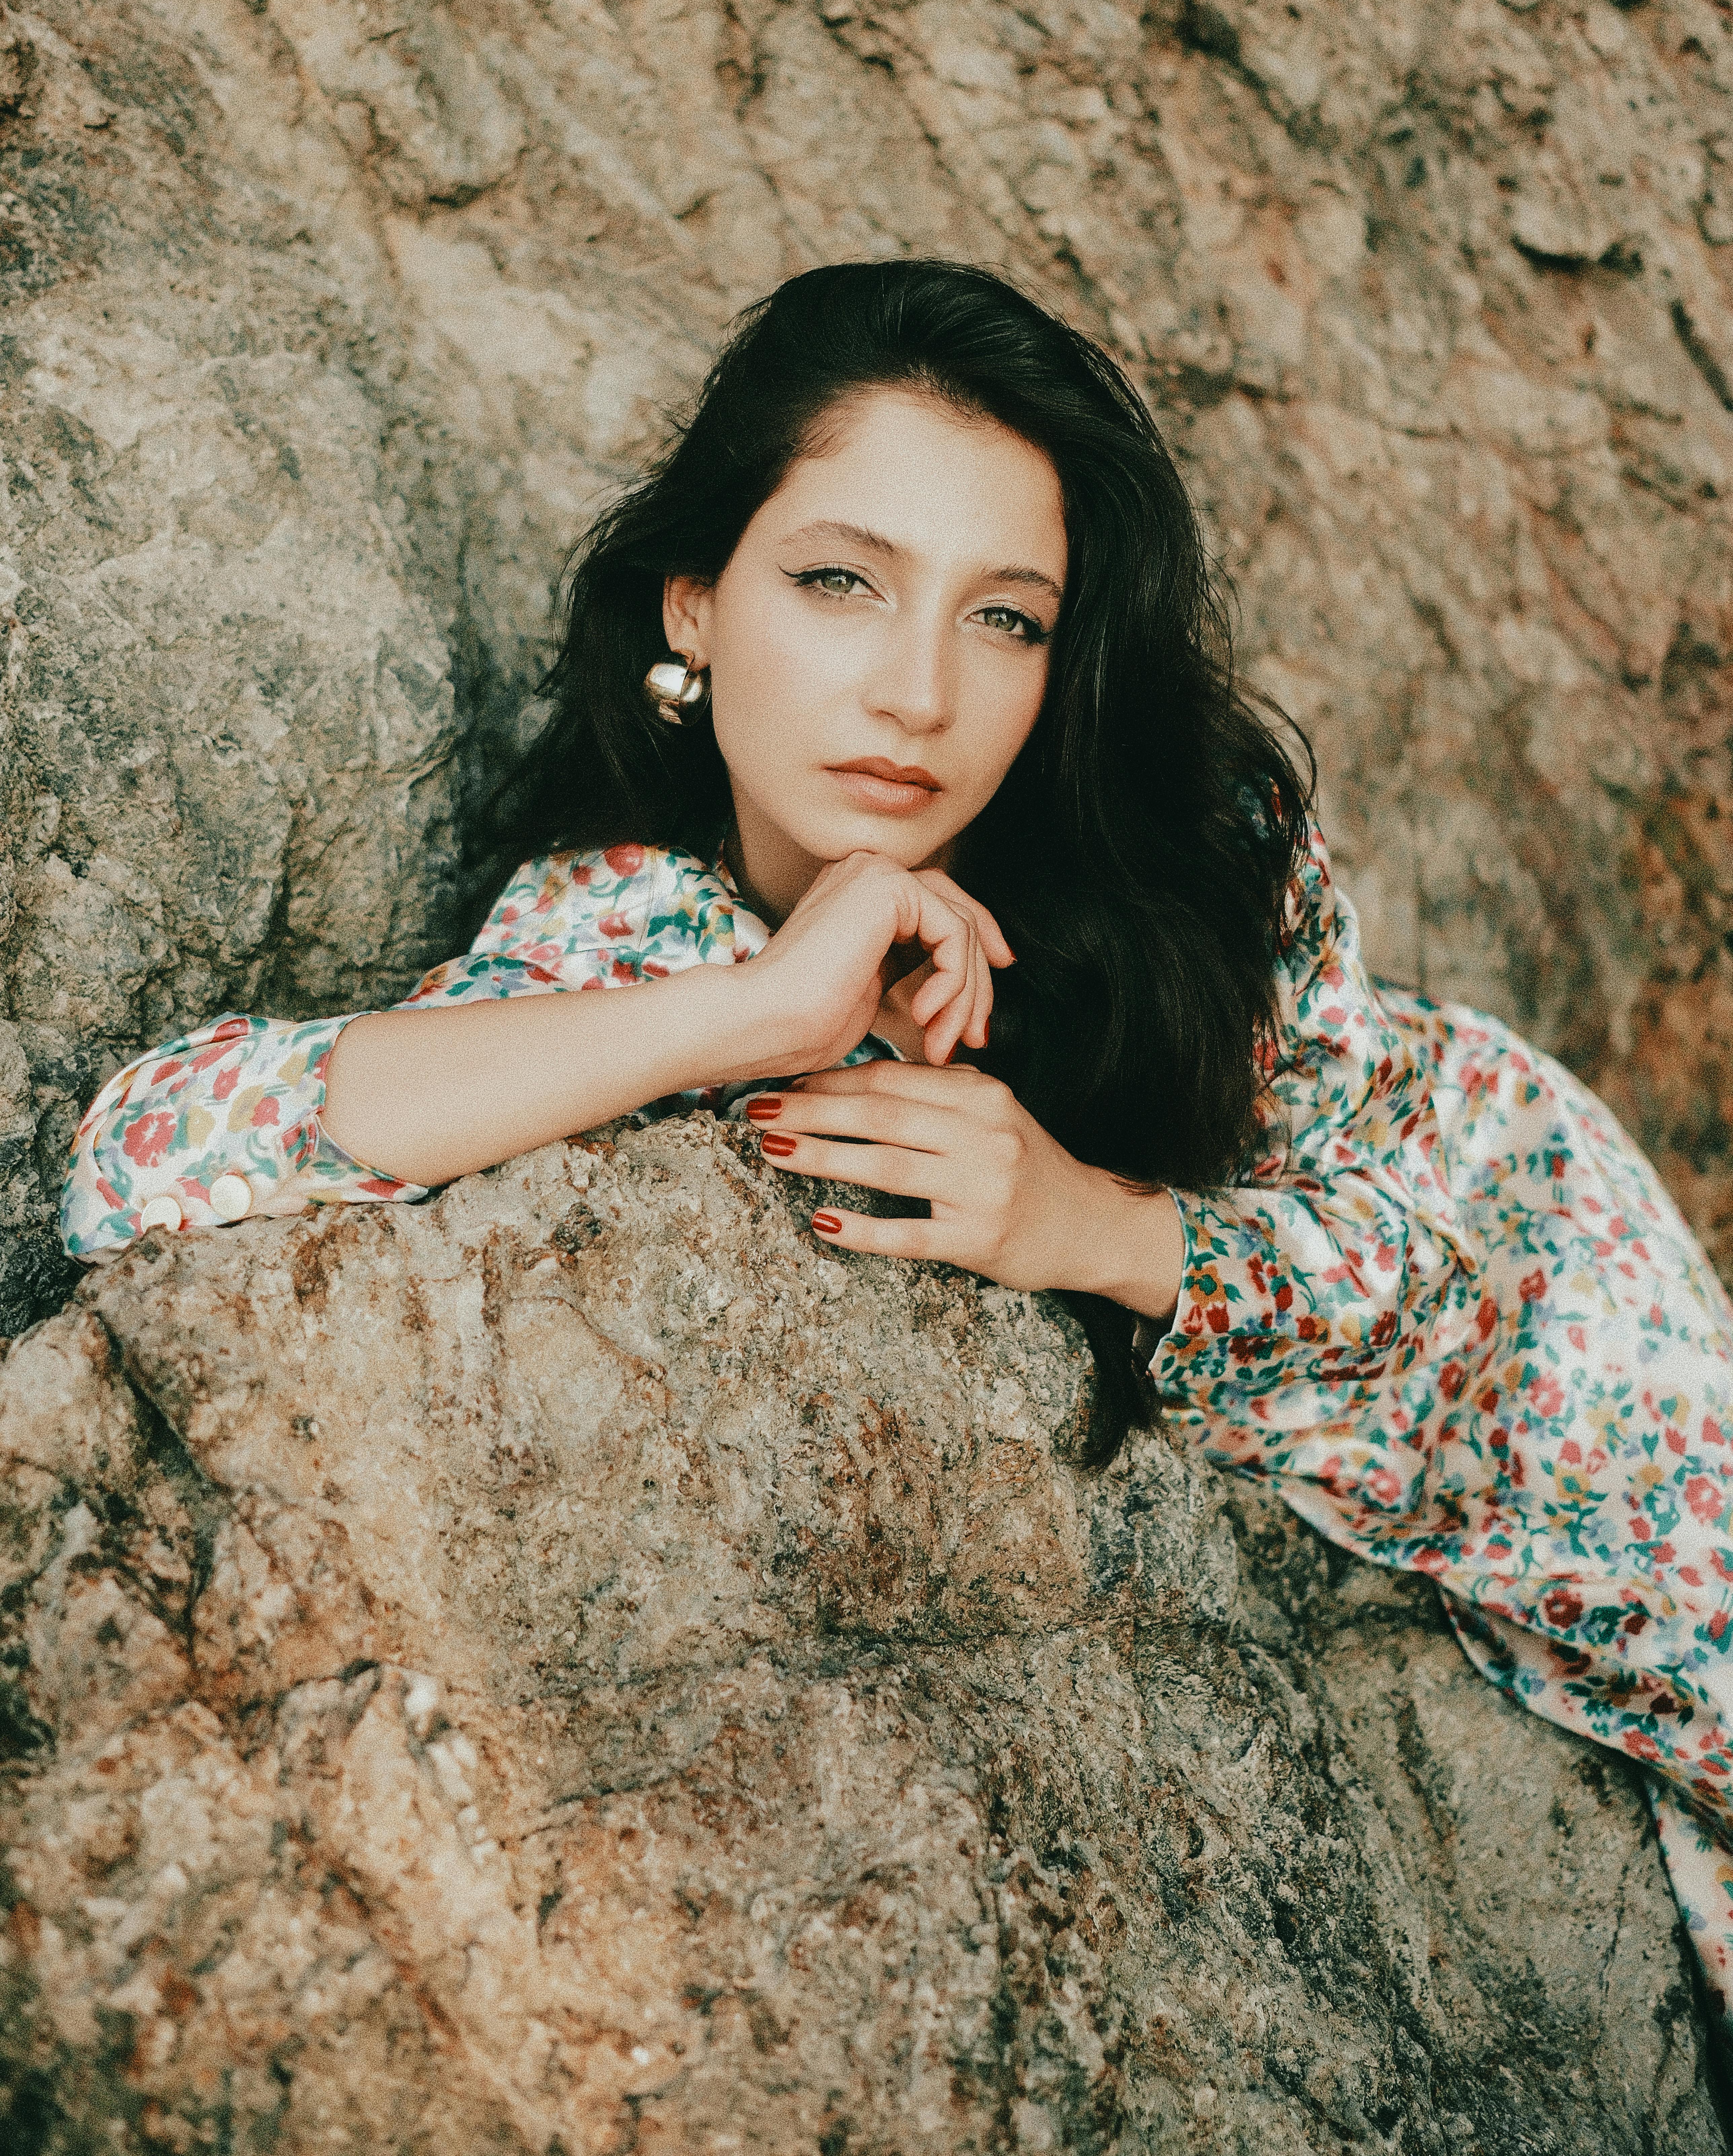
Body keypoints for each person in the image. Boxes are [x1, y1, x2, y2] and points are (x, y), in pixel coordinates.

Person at [61, 260, 1732, 2041]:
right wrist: (753, 1017)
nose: (919, 693)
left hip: (1548, 1285)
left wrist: (1085, 1221)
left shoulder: (1192, 831)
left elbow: (1424, 1265)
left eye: (1005, 619)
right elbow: (142, 1161)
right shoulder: (633, 932)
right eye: (841, 582)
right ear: (694, 602)